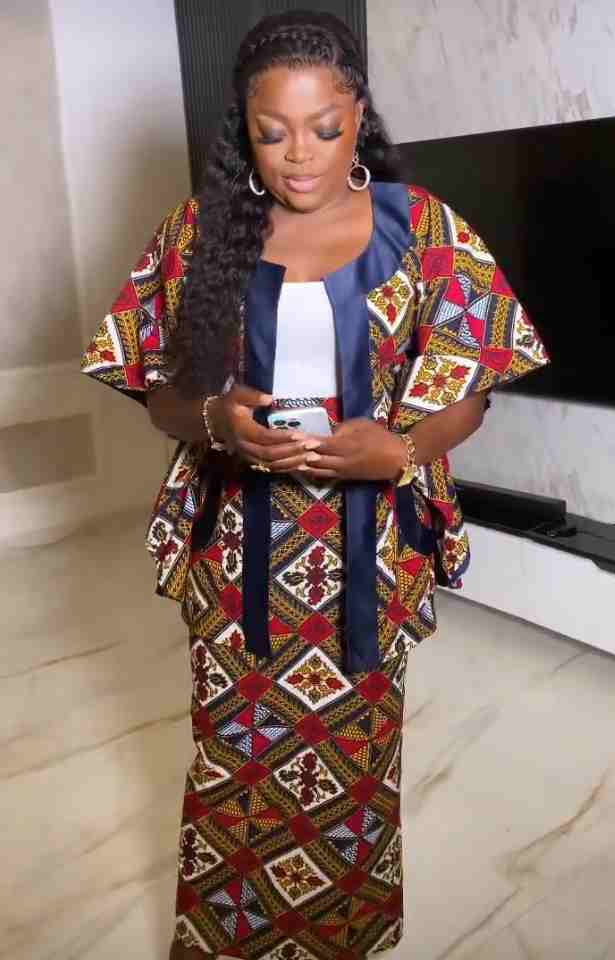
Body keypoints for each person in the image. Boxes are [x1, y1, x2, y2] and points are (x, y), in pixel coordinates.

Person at [79, 11, 547, 958]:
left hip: (369, 560)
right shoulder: (198, 232)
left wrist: (400, 451)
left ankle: (342, 939)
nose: (300, 155)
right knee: (232, 764)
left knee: (357, 770)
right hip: (234, 555)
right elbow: (155, 392)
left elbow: (473, 389)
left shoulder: (425, 229)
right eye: (273, 132)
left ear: (358, 115)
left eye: (325, 128)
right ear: (243, 130)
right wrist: (218, 420)